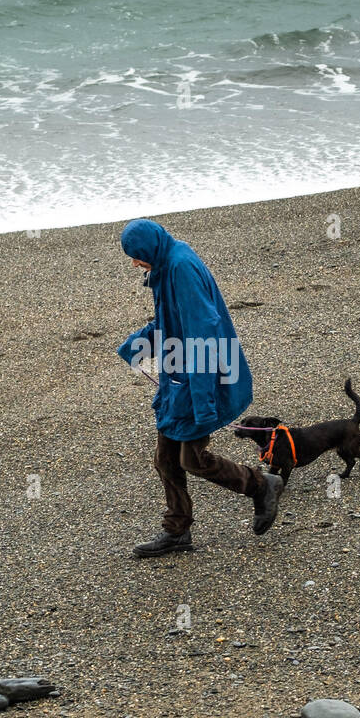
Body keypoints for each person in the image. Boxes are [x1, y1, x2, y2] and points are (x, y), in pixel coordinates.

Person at [116, 219, 283, 557]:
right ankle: (177, 531)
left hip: (197, 380)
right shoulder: (166, 263)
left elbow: (203, 335)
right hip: (179, 377)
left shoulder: (180, 268)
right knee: (166, 459)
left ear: (149, 248)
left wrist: (203, 400)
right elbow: (170, 323)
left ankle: (261, 485)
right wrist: (136, 346)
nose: (134, 263)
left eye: (136, 256)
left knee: (192, 459)